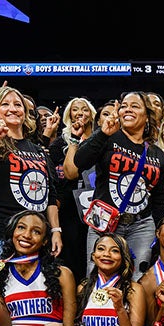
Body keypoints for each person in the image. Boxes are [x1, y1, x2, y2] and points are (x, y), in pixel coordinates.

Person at [0, 86, 63, 326]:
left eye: (17, 104)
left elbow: (50, 194)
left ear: (26, 111)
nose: (12, 109)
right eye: (4, 104)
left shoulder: (37, 148)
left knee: (28, 291)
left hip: (33, 234)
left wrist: (55, 230)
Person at [66, 91, 164, 275]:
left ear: (147, 116)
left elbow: (159, 198)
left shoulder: (156, 153)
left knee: (138, 278)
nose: (128, 109)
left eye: (135, 106)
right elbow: (80, 162)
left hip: (141, 225)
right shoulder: (109, 137)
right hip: (105, 223)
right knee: (97, 278)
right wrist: (102, 134)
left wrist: (157, 229)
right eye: (124, 106)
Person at [51, 97, 99, 279]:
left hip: (97, 203)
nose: (80, 113)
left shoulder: (100, 138)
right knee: (73, 250)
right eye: (75, 109)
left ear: (92, 114)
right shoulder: (59, 144)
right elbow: (58, 177)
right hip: (70, 205)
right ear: (68, 115)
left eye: (85, 109)